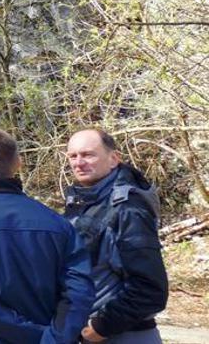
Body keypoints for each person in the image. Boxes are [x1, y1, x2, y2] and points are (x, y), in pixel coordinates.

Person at [0, 128, 95, 344]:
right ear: (18, 163)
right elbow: (79, 289)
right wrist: (53, 337)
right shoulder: (57, 222)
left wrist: (31, 334)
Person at [65, 128, 168, 343]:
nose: (79, 162)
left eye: (88, 154)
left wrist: (100, 327)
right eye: (73, 156)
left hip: (123, 335)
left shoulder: (128, 209)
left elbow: (150, 289)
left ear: (113, 159)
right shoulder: (82, 203)